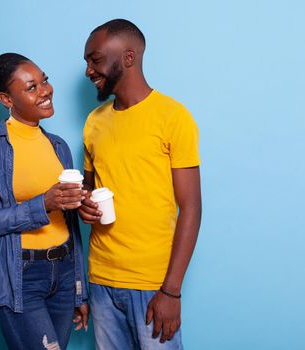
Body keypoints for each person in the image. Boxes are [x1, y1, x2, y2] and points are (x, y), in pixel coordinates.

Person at [79, 19, 202, 349]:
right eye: (87, 62)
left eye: (96, 59)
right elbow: (88, 191)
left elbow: (191, 206)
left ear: (128, 57)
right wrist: (84, 206)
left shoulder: (173, 117)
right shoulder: (94, 123)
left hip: (153, 284)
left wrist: (171, 290)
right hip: (101, 279)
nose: (89, 70)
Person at [0, 53, 89, 350]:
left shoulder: (58, 146)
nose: (45, 90)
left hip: (65, 270)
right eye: (31, 87)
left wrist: (79, 290)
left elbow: (69, 224)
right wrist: (42, 204)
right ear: (7, 99)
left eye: (44, 80)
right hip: (20, 275)